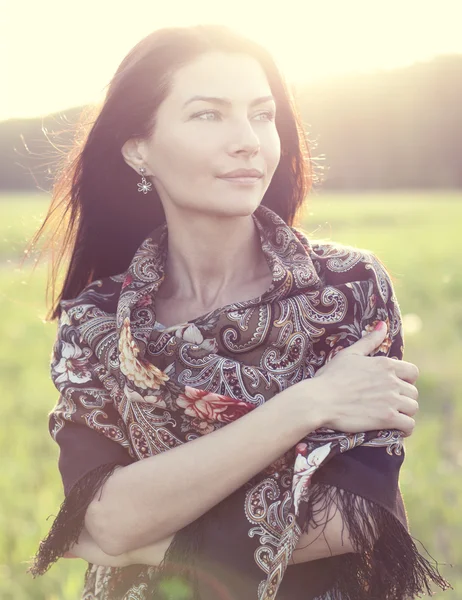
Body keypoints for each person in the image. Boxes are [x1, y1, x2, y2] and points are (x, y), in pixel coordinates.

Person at [27, 24, 450, 600]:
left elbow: (355, 514)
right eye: (208, 114)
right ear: (138, 149)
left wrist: (148, 533)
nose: (249, 140)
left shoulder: (346, 289)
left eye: (261, 114)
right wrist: (306, 404)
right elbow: (105, 516)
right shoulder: (97, 321)